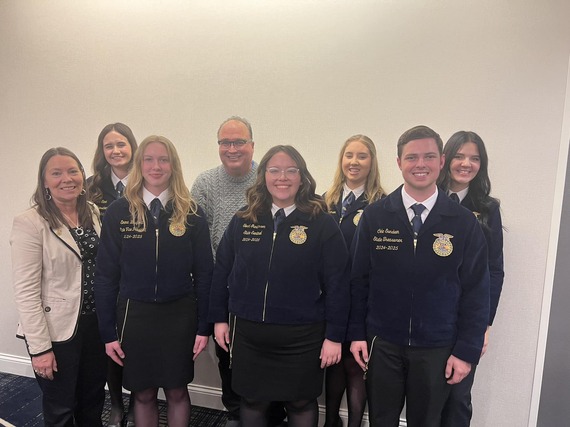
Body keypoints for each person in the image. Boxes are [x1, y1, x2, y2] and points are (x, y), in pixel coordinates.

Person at [348, 125, 490, 427]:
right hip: (383, 342)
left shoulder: (464, 222)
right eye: (411, 157)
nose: (420, 164)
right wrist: (357, 333)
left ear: (441, 161)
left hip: (437, 346)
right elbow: (358, 280)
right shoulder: (375, 216)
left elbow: (477, 292)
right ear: (399, 163)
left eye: (428, 156)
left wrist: (466, 351)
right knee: (381, 420)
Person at [210, 145, 351, 427]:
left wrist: (334, 336)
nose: (282, 177)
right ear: (263, 176)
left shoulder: (322, 223)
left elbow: (339, 283)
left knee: (300, 402)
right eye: (274, 170)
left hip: (303, 336)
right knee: (252, 400)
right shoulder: (243, 219)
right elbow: (222, 271)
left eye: (290, 170)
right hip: (250, 333)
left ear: (302, 177)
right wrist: (218, 319)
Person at [95, 135, 213, 427]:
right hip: (134, 316)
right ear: (139, 164)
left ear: (173, 166)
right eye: (149, 159)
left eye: (163, 159)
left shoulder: (192, 214)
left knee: (176, 390)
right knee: (143, 394)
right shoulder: (118, 213)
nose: (156, 166)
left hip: (179, 315)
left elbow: (205, 274)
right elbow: (106, 276)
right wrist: (108, 332)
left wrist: (203, 327)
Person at [192, 116, 285, 426]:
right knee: (228, 356)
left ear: (252, 145)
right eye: (225, 142)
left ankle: (272, 415)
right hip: (224, 287)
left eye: (239, 142)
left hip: (266, 291)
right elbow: (198, 241)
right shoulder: (204, 184)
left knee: (270, 360)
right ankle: (235, 413)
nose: (232, 149)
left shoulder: (269, 178)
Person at [11, 147, 107, 426]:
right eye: (56, 173)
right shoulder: (30, 222)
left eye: (72, 171)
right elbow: (26, 292)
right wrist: (40, 349)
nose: (67, 178)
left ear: (82, 175)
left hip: (94, 325)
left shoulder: (91, 212)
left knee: (92, 402)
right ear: (44, 181)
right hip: (56, 331)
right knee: (61, 408)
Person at [437, 131, 505, 427]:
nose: (466, 164)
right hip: (428, 317)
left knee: (457, 398)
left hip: (466, 320)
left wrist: (485, 324)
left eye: (474, 158)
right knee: (425, 397)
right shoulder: (427, 201)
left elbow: (495, 270)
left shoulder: (488, 209)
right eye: (460, 156)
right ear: (445, 159)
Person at [323, 135, 385, 427]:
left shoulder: (381, 206)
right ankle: (331, 420)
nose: (354, 162)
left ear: (371, 162)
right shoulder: (326, 201)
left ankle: (355, 423)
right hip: (329, 298)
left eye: (362, 156)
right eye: (349, 155)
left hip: (362, 299)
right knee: (332, 365)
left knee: (355, 366)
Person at [87, 122, 138, 427]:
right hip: (104, 276)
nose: (116, 151)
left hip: (137, 276)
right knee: (109, 341)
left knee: (137, 342)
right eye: (109, 146)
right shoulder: (91, 186)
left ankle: (137, 400)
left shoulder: (148, 183)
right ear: (102, 151)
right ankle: (117, 403)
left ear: (132, 147)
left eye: (121, 144)